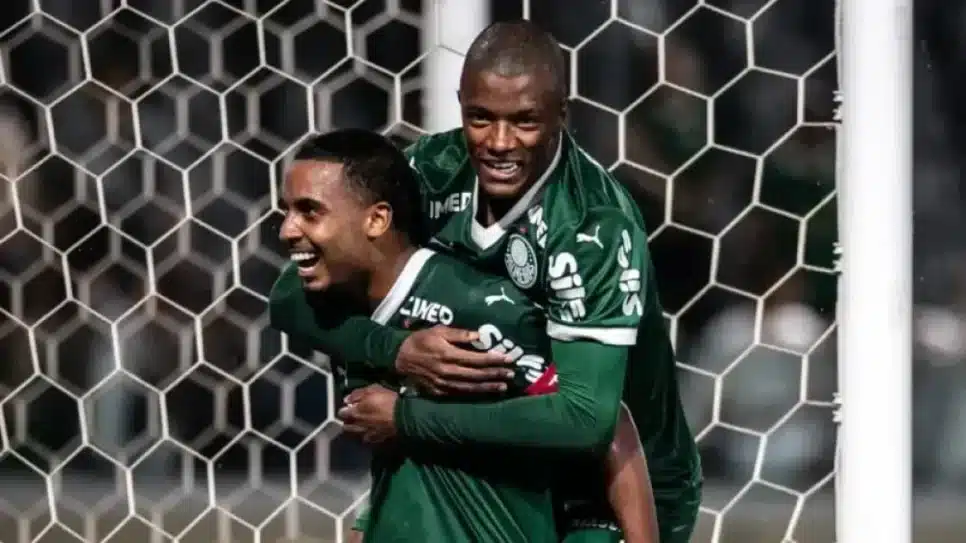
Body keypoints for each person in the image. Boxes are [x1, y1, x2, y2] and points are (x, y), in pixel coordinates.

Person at [270, 19, 702, 543]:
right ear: (461, 105)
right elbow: (292, 294)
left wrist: (407, 418)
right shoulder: (431, 171)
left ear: (560, 115)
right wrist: (396, 351)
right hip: (493, 462)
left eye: (524, 121)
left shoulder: (594, 225)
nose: (499, 142)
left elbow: (590, 420)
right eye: (480, 117)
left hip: (614, 488)